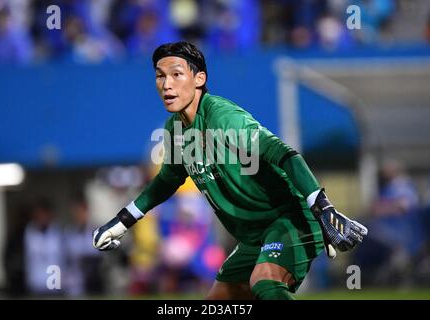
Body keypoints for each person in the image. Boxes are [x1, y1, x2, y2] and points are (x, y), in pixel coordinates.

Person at [92, 41, 368, 300]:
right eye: (160, 76)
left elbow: (284, 154)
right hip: (252, 237)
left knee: (265, 281)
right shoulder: (174, 129)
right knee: (219, 301)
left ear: (199, 78)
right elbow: (168, 179)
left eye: (176, 74)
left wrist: (323, 208)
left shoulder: (223, 116)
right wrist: (122, 221)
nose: (166, 84)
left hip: (290, 220)